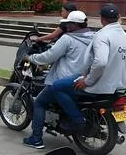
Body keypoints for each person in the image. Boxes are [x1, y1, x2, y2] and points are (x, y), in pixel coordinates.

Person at [50, 3, 126, 133]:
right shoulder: (125, 37)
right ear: (118, 17)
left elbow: (100, 62)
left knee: (57, 86)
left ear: (101, 18)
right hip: (119, 86)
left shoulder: (102, 35)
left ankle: (77, 121)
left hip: (100, 86)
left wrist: (87, 81)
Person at [22, 11, 94, 149]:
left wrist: (31, 58)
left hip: (64, 80)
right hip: (83, 79)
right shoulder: (93, 37)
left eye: (68, 23)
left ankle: (36, 139)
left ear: (74, 25)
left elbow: (49, 56)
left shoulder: (67, 39)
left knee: (40, 103)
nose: (66, 26)